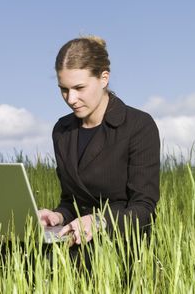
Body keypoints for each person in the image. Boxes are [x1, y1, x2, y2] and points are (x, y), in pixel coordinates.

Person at [38, 35, 160, 250]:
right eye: (63, 89)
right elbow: (71, 201)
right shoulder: (62, 130)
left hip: (120, 241)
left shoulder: (138, 125)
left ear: (104, 78)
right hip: (76, 236)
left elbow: (144, 208)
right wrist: (57, 216)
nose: (71, 99)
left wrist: (98, 222)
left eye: (79, 88)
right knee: (14, 250)